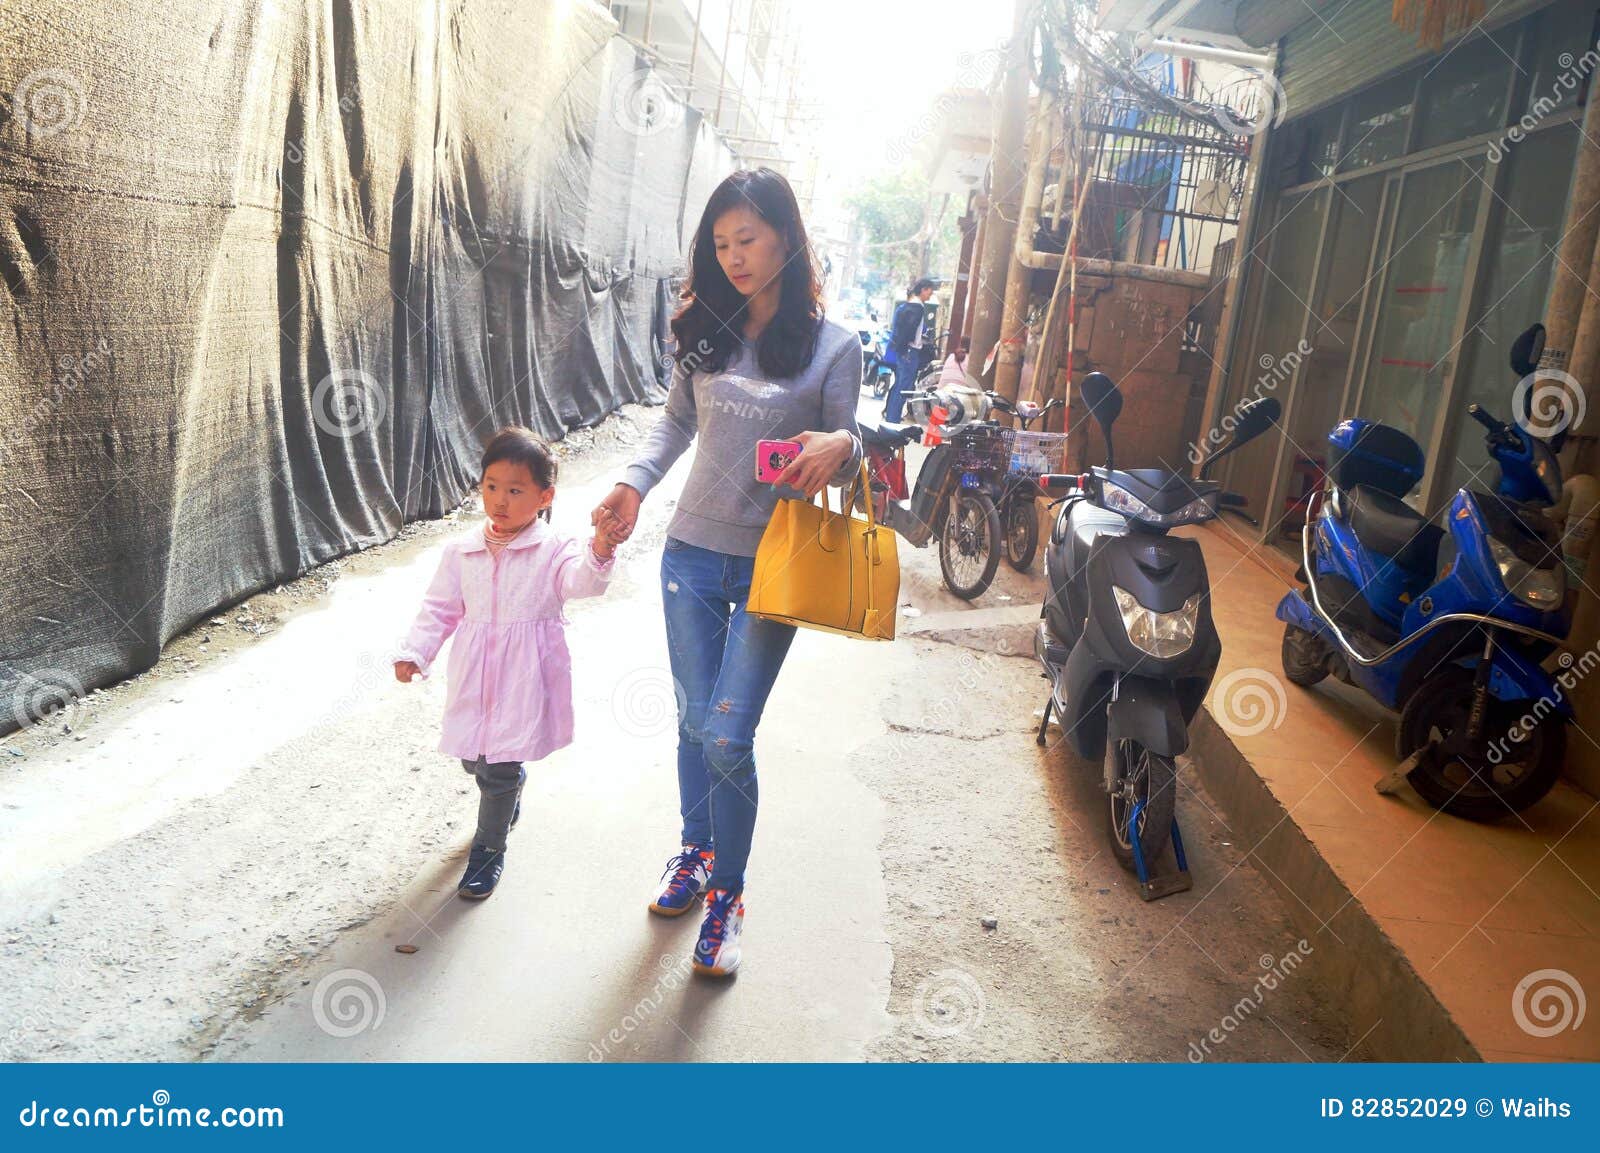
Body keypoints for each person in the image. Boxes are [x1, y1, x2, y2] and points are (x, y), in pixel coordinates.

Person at [591, 167, 863, 978]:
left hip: (774, 567)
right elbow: (675, 423)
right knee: (689, 722)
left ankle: (728, 897)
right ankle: (695, 850)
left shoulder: (832, 347)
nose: (735, 256)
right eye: (721, 243)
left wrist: (841, 446)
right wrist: (631, 484)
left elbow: (848, 455)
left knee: (727, 732)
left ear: (785, 237)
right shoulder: (705, 329)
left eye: (748, 238)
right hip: (689, 558)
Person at [395, 427, 626, 900]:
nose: (500, 500)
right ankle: (509, 787)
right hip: (474, 673)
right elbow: (440, 608)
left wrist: (601, 547)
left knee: (497, 768)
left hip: (526, 674)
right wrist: (416, 651)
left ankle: (489, 848)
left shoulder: (554, 548)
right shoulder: (462, 551)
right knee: (473, 759)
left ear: (544, 496)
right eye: (491, 486)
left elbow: (583, 583)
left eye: (516, 490)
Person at [884, 277, 935, 422]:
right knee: (904, 387)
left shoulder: (906, 306)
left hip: (904, 351)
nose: (929, 296)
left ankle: (891, 417)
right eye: (929, 292)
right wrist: (907, 350)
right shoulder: (917, 308)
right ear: (923, 289)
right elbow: (909, 331)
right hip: (910, 352)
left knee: (899, 385)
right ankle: (893, 420)